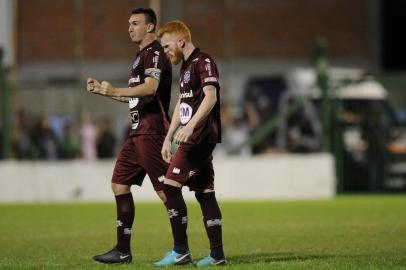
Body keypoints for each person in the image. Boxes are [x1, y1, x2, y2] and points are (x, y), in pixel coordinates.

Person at [86, 7, 172, 264]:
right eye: (128, 24)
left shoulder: (155, 53)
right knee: (119, 184)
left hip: (152, 130)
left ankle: (182, 248)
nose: (129, 28)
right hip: (137, 132)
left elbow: (150, 88)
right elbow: (135, 99)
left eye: (135, 23)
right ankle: (122, 250)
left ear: (149, 27)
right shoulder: (139, 57)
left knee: (166, 192)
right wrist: (106, 92)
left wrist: (117, 89)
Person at [153, 21, 226, 267]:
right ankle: (217, 256)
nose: (165, 52)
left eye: (166, 47)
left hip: (199, 136)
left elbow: (211, 97)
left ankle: (180, 251)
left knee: (171, 187)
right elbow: (181, 105)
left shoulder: (203, 61)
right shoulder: (186, 66)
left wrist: (191, 126)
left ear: (180, 41)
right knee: (205, 192)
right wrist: (168, 136)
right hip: (193, 135)